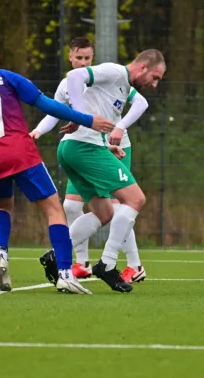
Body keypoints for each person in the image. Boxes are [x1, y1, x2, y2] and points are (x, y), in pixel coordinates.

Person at [0, 36, 115, 293]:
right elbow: (47, 104)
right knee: (53, 210)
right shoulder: (6, 77)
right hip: (19, 152)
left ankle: (1, 254)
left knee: (0, 206)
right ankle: (64, 273)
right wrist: (87, 119)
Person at [31, 37, 149, 285]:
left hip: (99, 147)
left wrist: (113, 137)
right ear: (70, 57)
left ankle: (129, 264)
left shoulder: (102, 76)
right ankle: (102, 263)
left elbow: (136, 103)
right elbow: (56, 113)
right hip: (85, 148)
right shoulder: (74, 82)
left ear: (91, 58)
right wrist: (38, 132)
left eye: (87, 58)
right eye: (79, 57)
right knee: (126, 201)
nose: (83, 62)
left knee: (109, 209)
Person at [56, 49, 165, 293]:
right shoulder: (116, 72)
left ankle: (55, 256)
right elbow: (74, 76)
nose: (155, 84)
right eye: (155, 77)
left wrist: (106, 146)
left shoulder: (123, 85)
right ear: (143, 68)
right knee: (135, 199)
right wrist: (80, 116)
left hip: (75, 148)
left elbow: (96, 108)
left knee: (104, 212)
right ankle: (107, 264)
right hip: (83, 148)